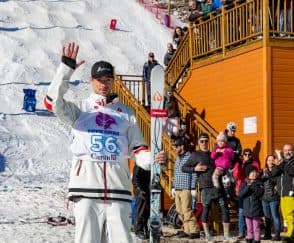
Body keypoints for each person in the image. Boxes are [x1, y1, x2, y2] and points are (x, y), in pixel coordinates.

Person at [44, 42, 166, 243]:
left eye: (108, 79)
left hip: (118, 191)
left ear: (112, 81)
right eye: (99, 80)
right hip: (85, 191)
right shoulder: (80, 110)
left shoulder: (125, 113)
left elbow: (138, 148)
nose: (103, 84)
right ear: (91, 80)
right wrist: (65, 70)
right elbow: (51, 103)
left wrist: (152, 158)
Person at [182, 133, 235, 243]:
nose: (204, 143)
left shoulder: (213, 154)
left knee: (225, 209)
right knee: (206, 210)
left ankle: (226, 236)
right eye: (202, 141)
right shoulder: (195, 155)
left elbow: (223, 165)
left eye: (206, 141)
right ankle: (207, 236)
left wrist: (224, 172)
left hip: (218, 185)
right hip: (205, 186)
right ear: (198, 142)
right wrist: (195, 168)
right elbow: (184, 167)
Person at [171, 137, 200, 239]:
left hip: (186, 188)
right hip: (178, 187)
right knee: (179, 211)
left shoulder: (190, 157)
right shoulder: (178, 158)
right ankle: (187, 230)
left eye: (176, 146)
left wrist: (192, 187)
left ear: (181, 146)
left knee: (187, 210)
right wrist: (173, 187)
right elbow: (175, 173)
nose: (175, 148)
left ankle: (195, 230)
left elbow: (194, 173)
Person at [233, 148, 260, 240]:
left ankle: (254, 234)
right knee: (241, 212)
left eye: (249, 154)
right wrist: (240, 164)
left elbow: (257, 174)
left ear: (251, 155)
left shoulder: (255, 163)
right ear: (243, 155)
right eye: (245, 154)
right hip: (243, 189)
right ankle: (242, 232)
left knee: (253, 213)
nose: (247, 156)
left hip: (253, 190)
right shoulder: (240, 163)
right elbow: (236, 175)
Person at [271, 144, 294, 242]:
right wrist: (278, 164)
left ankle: (291, 235)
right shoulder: (282, 162)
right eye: (285, 150)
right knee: (284, 215)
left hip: (290, 192)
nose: (287, 152)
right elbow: (274, 173)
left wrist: (280, 161)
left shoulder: (292, 162)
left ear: (293, 151)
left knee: (290, 214)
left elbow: (291, 171)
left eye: (289, 150)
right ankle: (289, 233)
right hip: (282, 193)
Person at [239, 167, 264, 243]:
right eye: (252, 172)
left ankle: (257, 239)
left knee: (256, 226)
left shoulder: (259, 183)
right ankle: (250, 237)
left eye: (255, 172)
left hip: (256, 208)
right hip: (247, 208)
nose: (253, 174)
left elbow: (259, 193)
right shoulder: (244, 183)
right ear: (248, 174)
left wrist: (253, 185)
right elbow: (241, 194)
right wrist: (248, 186)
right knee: (249, 226)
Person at [261, 154, 281, 241]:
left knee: (275, 216)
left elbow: (274, 181)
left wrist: (268, 173)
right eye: (268, 160)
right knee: (267, 217)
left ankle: (277, 235)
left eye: (272, 160)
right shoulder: (263, 171)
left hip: (274, 197)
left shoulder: (277, 170)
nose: (270, 162)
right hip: (264, 198)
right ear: (266, 161)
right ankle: (268, 234)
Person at [132, 164, 150, 240]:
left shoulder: (151, 164)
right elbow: (135, 178)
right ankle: (138, 230)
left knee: (147, 211)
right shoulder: (140, 163)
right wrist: (139, 189)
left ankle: (146, 229)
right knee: (140, 210)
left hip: (147, 189)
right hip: (140, 190)